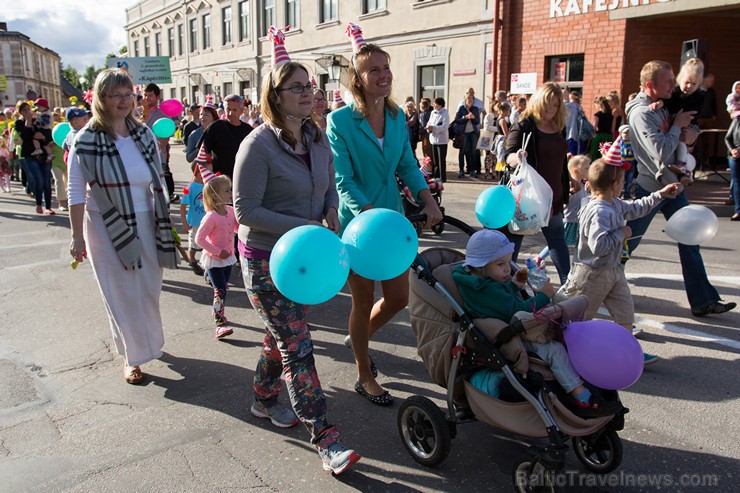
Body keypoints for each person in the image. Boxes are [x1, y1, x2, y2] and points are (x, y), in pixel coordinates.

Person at [233, 28, 360, 475]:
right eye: (298, 87)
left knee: (281, 335)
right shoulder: (257, 145)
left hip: (307, 259)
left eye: (311, 86)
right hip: (267, 259)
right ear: (276, 95)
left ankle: (263, 397)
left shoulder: (318, 136)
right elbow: (245, 210)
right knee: (297, 344)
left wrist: (328, 212)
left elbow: (327, 188)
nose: (309, 93)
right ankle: (326, 438)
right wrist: (303, 226)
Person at [327, 24, 443, 406]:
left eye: (387, 67)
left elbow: (408, 165)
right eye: (373, 69)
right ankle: (363, 372)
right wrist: (368, 215)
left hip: (392, 221)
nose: (383, 75)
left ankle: (358, 337)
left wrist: (428, 200)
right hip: (358, 225)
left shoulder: (396, 117)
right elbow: (342, 179)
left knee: (398, 298)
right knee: (362, 302)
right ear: (358, 79)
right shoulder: (340, 121)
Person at [67, 68, 178, 384]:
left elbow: (157, 177)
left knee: (148, 288)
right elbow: (76, 191)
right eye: (116, 95)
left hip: (147, 220)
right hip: (106, 224)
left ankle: (148, 342)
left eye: (128, 94)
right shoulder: (86, 140)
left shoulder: (143, 133)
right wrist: (76, 237)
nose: (124, 101)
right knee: (120, 292)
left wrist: (165, 218)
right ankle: (132, 357)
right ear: (102, 99)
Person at [452, 229, 621, 417]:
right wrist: (543, 296)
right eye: (500, 264)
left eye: (508, 262)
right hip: (506, 338)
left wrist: (511, 285)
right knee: (555, 350)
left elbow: (500, 299)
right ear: (480, 266)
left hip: (511, 328)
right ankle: (579, 394)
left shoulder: (481, 281)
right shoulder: (483, 290)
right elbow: (514, 308)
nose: (508, 268)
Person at [624, 60, 736, 317]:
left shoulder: (666, 103)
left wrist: (691, 132)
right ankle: (601, 285)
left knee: (690, 240)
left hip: (674, 187)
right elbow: (661, 151)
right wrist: (677, 126)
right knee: (627, 243)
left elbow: (687, 124)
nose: (673, 85)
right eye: (668, 81)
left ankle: (703, 301)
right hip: (650, 190)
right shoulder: (642, 113)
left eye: (674, 79)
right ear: (651, 85)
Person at [563, 153, 680, 364]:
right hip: (593, 274)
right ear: (615, 184)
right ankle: (566, 353)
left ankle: (628, 352)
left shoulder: (614, 204)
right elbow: (598, 246)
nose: (624, 185)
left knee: (625, 312)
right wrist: (621, 234)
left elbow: (636, 208)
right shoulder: (599, 211)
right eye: (623, 181)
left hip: (613, 271)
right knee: (579, 319)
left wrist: (660, 194)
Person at [503, 81, 572, 284]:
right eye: (547, 104)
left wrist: (571, 180)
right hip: (528, 196)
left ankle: (567, 284)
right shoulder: (525, 124)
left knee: (557, 241)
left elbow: (560, 159)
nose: (550, 110)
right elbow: (508, 156)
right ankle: (508, 285)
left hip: (554, 195)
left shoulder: (559, 126)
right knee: (514, 242)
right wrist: (517, 157)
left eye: (556, 105)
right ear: (537, 102)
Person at [195, 174, 238, 340]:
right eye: (227, 190)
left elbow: (236, 228)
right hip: (214, 260)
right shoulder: (211, 217)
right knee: (219, 290)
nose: (230, 193)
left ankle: (219, 313)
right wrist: (218, 251)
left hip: (228, 258)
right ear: (215, 195)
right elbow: (199, 239)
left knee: (223, 288)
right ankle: (219, 324)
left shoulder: (230, 210)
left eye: (230, 189)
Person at [15, 101, 53, 214]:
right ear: (20, 112)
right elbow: (24, 137)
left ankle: (48, 207)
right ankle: (38, 204)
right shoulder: (19, 123)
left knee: (46, 181)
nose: (27, 111)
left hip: (44, 155)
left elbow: (48, 134)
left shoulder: (39, 119)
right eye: (24, 110)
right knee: (39, 180)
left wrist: (43, 138)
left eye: (28, 109)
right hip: (30, 155)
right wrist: (28, 121)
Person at [201, 93, 251, 178]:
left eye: (234, 110)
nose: (231, 113)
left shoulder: (248, 131)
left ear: (241, 111)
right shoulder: (215, 127)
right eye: (228, 109)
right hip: (220, 180)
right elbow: (202, 153)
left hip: (242, 178)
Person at [180, 163, 206, 275]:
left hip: (208, 220)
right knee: (194, 243)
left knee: (208, 242)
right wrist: (184, 222)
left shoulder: (208, 185)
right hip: (195, 221)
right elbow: (183, 206)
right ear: (199, 172)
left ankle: (208, 264)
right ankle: (192, 260)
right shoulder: (190, 188)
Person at [563, 154, 591, 247]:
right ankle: (539, 258)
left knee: (578, 243)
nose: (589, 170)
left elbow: (582, 200)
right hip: (569, 220)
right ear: (576, 170)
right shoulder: (571, 185)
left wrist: (587, 192)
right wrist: (571, 192)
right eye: (586, 168)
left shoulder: (582, 185)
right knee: (560, 243)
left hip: (577, 220)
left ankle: (577, 260)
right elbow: (567, 198)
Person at [453, 94, 481, 178]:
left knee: (473, 151)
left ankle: (472, 170)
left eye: (471, 99)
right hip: (463, 133)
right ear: (465, 100)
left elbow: (477, 121)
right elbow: (457, 120)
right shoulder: (461, 108)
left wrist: (473, 117)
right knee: (462, 151)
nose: (470, 100)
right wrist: (465, 117)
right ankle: (461, 170)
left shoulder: (475, 109)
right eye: (468, 98)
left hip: (473, 132)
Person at [185, 98, 218, 163]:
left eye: (206, 115)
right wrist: (200, 148)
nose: (202, 117)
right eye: (201, 114)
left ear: (213, 117)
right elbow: (189, 158)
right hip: (201, 170)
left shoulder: (220, 132)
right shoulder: (194, 134)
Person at [426, 97, 450, 182]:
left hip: (442, 139)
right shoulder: (433, 112)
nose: (434, 105)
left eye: (435, 103)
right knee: (435, 159)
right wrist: (428, 127)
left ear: (440, 105)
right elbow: (429, 122)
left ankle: (442, 177)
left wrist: (434, 128)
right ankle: (435, 175)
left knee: (441, 159)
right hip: (433, 138)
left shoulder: (445, 113)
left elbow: (445, 126)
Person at [725, 113, 740, 221]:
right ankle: (739, 211)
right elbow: (728, 138)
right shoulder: (737, 119)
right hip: (736, 157)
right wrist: (732, 150)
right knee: (737, 183)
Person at [589, 96, 613, 161]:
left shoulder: (597, 115)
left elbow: (594, 127)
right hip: (609, 137)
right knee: (607, 156)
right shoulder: (610, 115)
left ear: (599, 105)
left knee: (595, 156)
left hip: (599, 137)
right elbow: (612, 129)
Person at [619, 125, 636, 198]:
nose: (627, 134)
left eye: (628, 133)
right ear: (621, 134)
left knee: (629, 178)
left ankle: (627, 193)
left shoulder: (632, 142)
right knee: (621, 179)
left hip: (631, 162)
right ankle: (619, 193)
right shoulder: (620, 143)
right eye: (625, 133)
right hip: (623, 162)